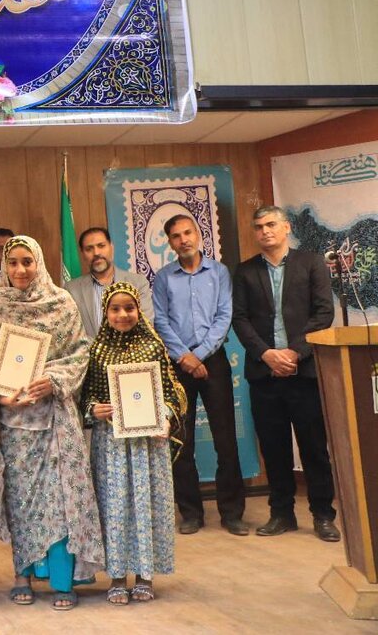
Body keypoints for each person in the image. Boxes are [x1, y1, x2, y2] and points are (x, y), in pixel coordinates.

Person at [0, 235, 103, 611]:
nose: (20, 270)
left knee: (60, 502)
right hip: (13, 425)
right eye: (12, 262)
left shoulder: (61, 303)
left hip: (54, 422)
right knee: (22, 503)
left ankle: (63, 580)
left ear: (39, 263)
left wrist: (55, 380)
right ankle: (22, 575)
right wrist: (0, 397)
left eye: (27, 262)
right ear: (4, 265)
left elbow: (79, 352)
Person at [232, 205, 339, 542]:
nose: (265, 231)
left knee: (314, 448)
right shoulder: (245, 271)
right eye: (259, 226)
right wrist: (266, 354)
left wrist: (294, 352)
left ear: (287, 227)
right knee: (274, 449)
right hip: (264, 375)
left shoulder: (311, 263)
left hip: (303, 372)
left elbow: (323, 313)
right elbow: (239, 319)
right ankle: (282, 514)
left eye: (271, 224)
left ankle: (323, 515)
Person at [83, 284, 186, 605]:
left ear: (139, 310)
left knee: (146, 506)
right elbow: (85, 396)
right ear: (105, 312)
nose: (123, 314)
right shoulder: (96, 351)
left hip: (147, 445)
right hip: (111, 444)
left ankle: (145, 576)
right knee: (115, 508)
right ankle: (116, 577)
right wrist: (93, 409)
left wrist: (166, 418)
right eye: (115, 309)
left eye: (129, 307)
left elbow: (173, 393)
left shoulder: (154, 347)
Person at [151, 214, 248, 536]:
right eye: (176, 236)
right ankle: (191, 513)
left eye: (188, 233)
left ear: (198, 234)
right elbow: (161, 321)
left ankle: (232, 513)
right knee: (183, 441)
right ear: (170, 242)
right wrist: (185, 357)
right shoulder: (164, 278)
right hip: (178, 365)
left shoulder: (219, 272)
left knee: (226, 439)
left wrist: (200, 355)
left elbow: (224, 316)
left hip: (213, 362)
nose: (184, 240)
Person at [65, 227, 154, 338]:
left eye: (101, 246)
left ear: (111, 247)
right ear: (83, 254)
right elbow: (72, 332)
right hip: (90, 349)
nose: (96, 253)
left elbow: (146, 325)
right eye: (89, 249)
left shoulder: (138, 283)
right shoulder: (71, 289)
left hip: (131, 348)